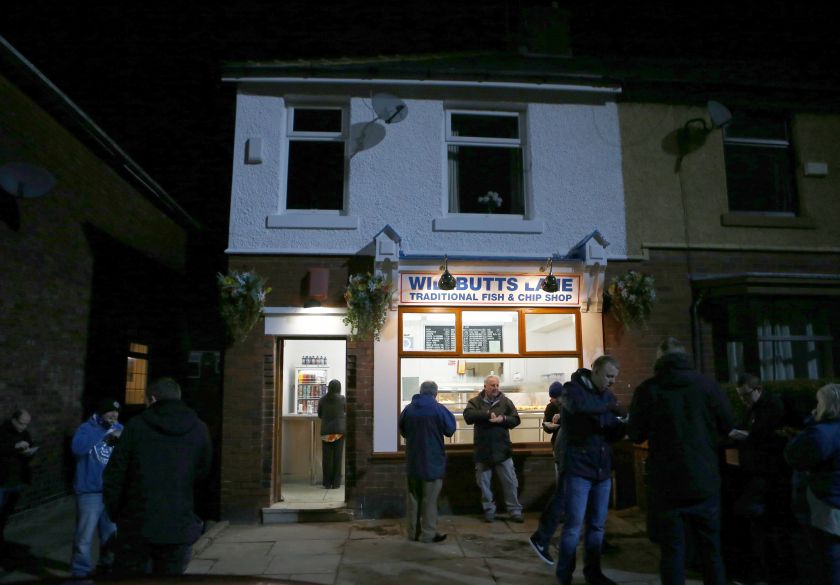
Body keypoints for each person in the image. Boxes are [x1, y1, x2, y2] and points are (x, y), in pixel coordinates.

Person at [628, 337, 734, 585]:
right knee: (711, 551)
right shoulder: (707, 386)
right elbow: (728, 424)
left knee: (672, 552)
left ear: (659, 359)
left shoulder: (649, 389)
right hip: (704, 477)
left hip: (666, 483)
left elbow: (635, 433)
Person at [103, 377, 212, 576]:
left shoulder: (136, 426)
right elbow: (203, 477)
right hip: (179, 525)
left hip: (137, 525)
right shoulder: (199, 428)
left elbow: (115, 474)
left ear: (152, 399)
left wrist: (118, 514)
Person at [554, 355, 626, 585]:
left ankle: (593, 573)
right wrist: (610, 412)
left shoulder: (607, 396)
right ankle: (564, 575)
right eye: (608, 376)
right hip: (579, 468)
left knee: (597, 526)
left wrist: (622, 425)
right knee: (574, 527)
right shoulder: (572, 390)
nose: (612, 382)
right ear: (594, 371)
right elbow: (582, 411)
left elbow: (610, 429)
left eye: (615, 377)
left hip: (601, 469)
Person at [728, 373, 794, 584]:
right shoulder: (752, 408)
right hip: (755, 473)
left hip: (768, 475)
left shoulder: (772, 407)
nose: (743, 399)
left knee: (763, 523)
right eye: (739, 395)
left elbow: (771, 437)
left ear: (758, 389)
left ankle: (771, 572)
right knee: (759, 524)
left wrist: (749, 436)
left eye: (745, 394)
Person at [784, 383, 840, 585]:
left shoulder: (822, 433)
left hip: (827, 502)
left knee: (828, 558)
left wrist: (802, 433)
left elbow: (795, 456)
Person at [70, 398, 123, 577]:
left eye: (116, 412)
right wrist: (104, 432)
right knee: (84, 537)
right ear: (101, 413)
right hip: (89, 493)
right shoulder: (86, 429)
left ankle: (106, 566)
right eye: (110, 412)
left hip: (111, 492)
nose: (114, 415)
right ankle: (80, 571)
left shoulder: (120, 429)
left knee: (110, 535)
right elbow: (77, 448)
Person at [398, 380, 456, 543]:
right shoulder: (438, 409)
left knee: (414, 498)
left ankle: (413, 532)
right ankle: (428, 533)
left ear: (421, 391)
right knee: (429, 500)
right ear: (435, 393)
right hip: (433, 460)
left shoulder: (408, 409)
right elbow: (450, 429)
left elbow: (402, 429)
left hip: (413, 460)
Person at [463, 374, 524, 523]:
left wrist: (503, 419)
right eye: (492, 385)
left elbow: (516, 419)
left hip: (502, 450)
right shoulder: (475, 402)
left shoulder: (505, 402)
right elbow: (468, 416)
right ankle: (489, 510)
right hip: (483, 450)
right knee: (484, 484)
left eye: (497, 385)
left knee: (510, 482)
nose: (495, 388)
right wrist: (487, 415)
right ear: (485, 386)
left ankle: (514, 510)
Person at [529, 380, 565, 564]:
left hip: (567, 452)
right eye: (551, 398)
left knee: (563, 490)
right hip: (561, 451)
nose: (553, 401)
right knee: (562, 489)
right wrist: (549, 424)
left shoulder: (571, 405)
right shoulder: (552, 407)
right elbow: (546, 425)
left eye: (555, 398)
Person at [0, 409, 36, 555]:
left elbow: (30, 444)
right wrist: (14, 447)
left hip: (16, 480)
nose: (23, 427)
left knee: (6, 513)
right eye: (21, 424)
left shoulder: (24, 433)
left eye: (26, 425)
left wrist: (29, 451)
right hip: (2, 480)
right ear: (14, 420)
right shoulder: (2, 432)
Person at [318, 379, 346, 489]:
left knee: (327, 458)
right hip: (338, 432)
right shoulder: (343, 399)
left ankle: (326, 482)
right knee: (337, 457)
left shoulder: (322, 400)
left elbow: (320, 415)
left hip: (326, 432)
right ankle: (336, 483)